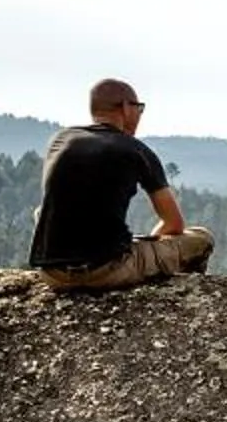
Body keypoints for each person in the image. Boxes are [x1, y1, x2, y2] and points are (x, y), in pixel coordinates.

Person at [27, 78, 213, 291]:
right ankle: (185, 299)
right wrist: (148, 245)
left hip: (52, 273)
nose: (140, 115)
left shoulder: (60, 141)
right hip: (108, 270)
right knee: (201, 238)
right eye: (139, 108)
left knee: (42, 212)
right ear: (125, 108)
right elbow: (174, 224)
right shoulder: (136, 150)